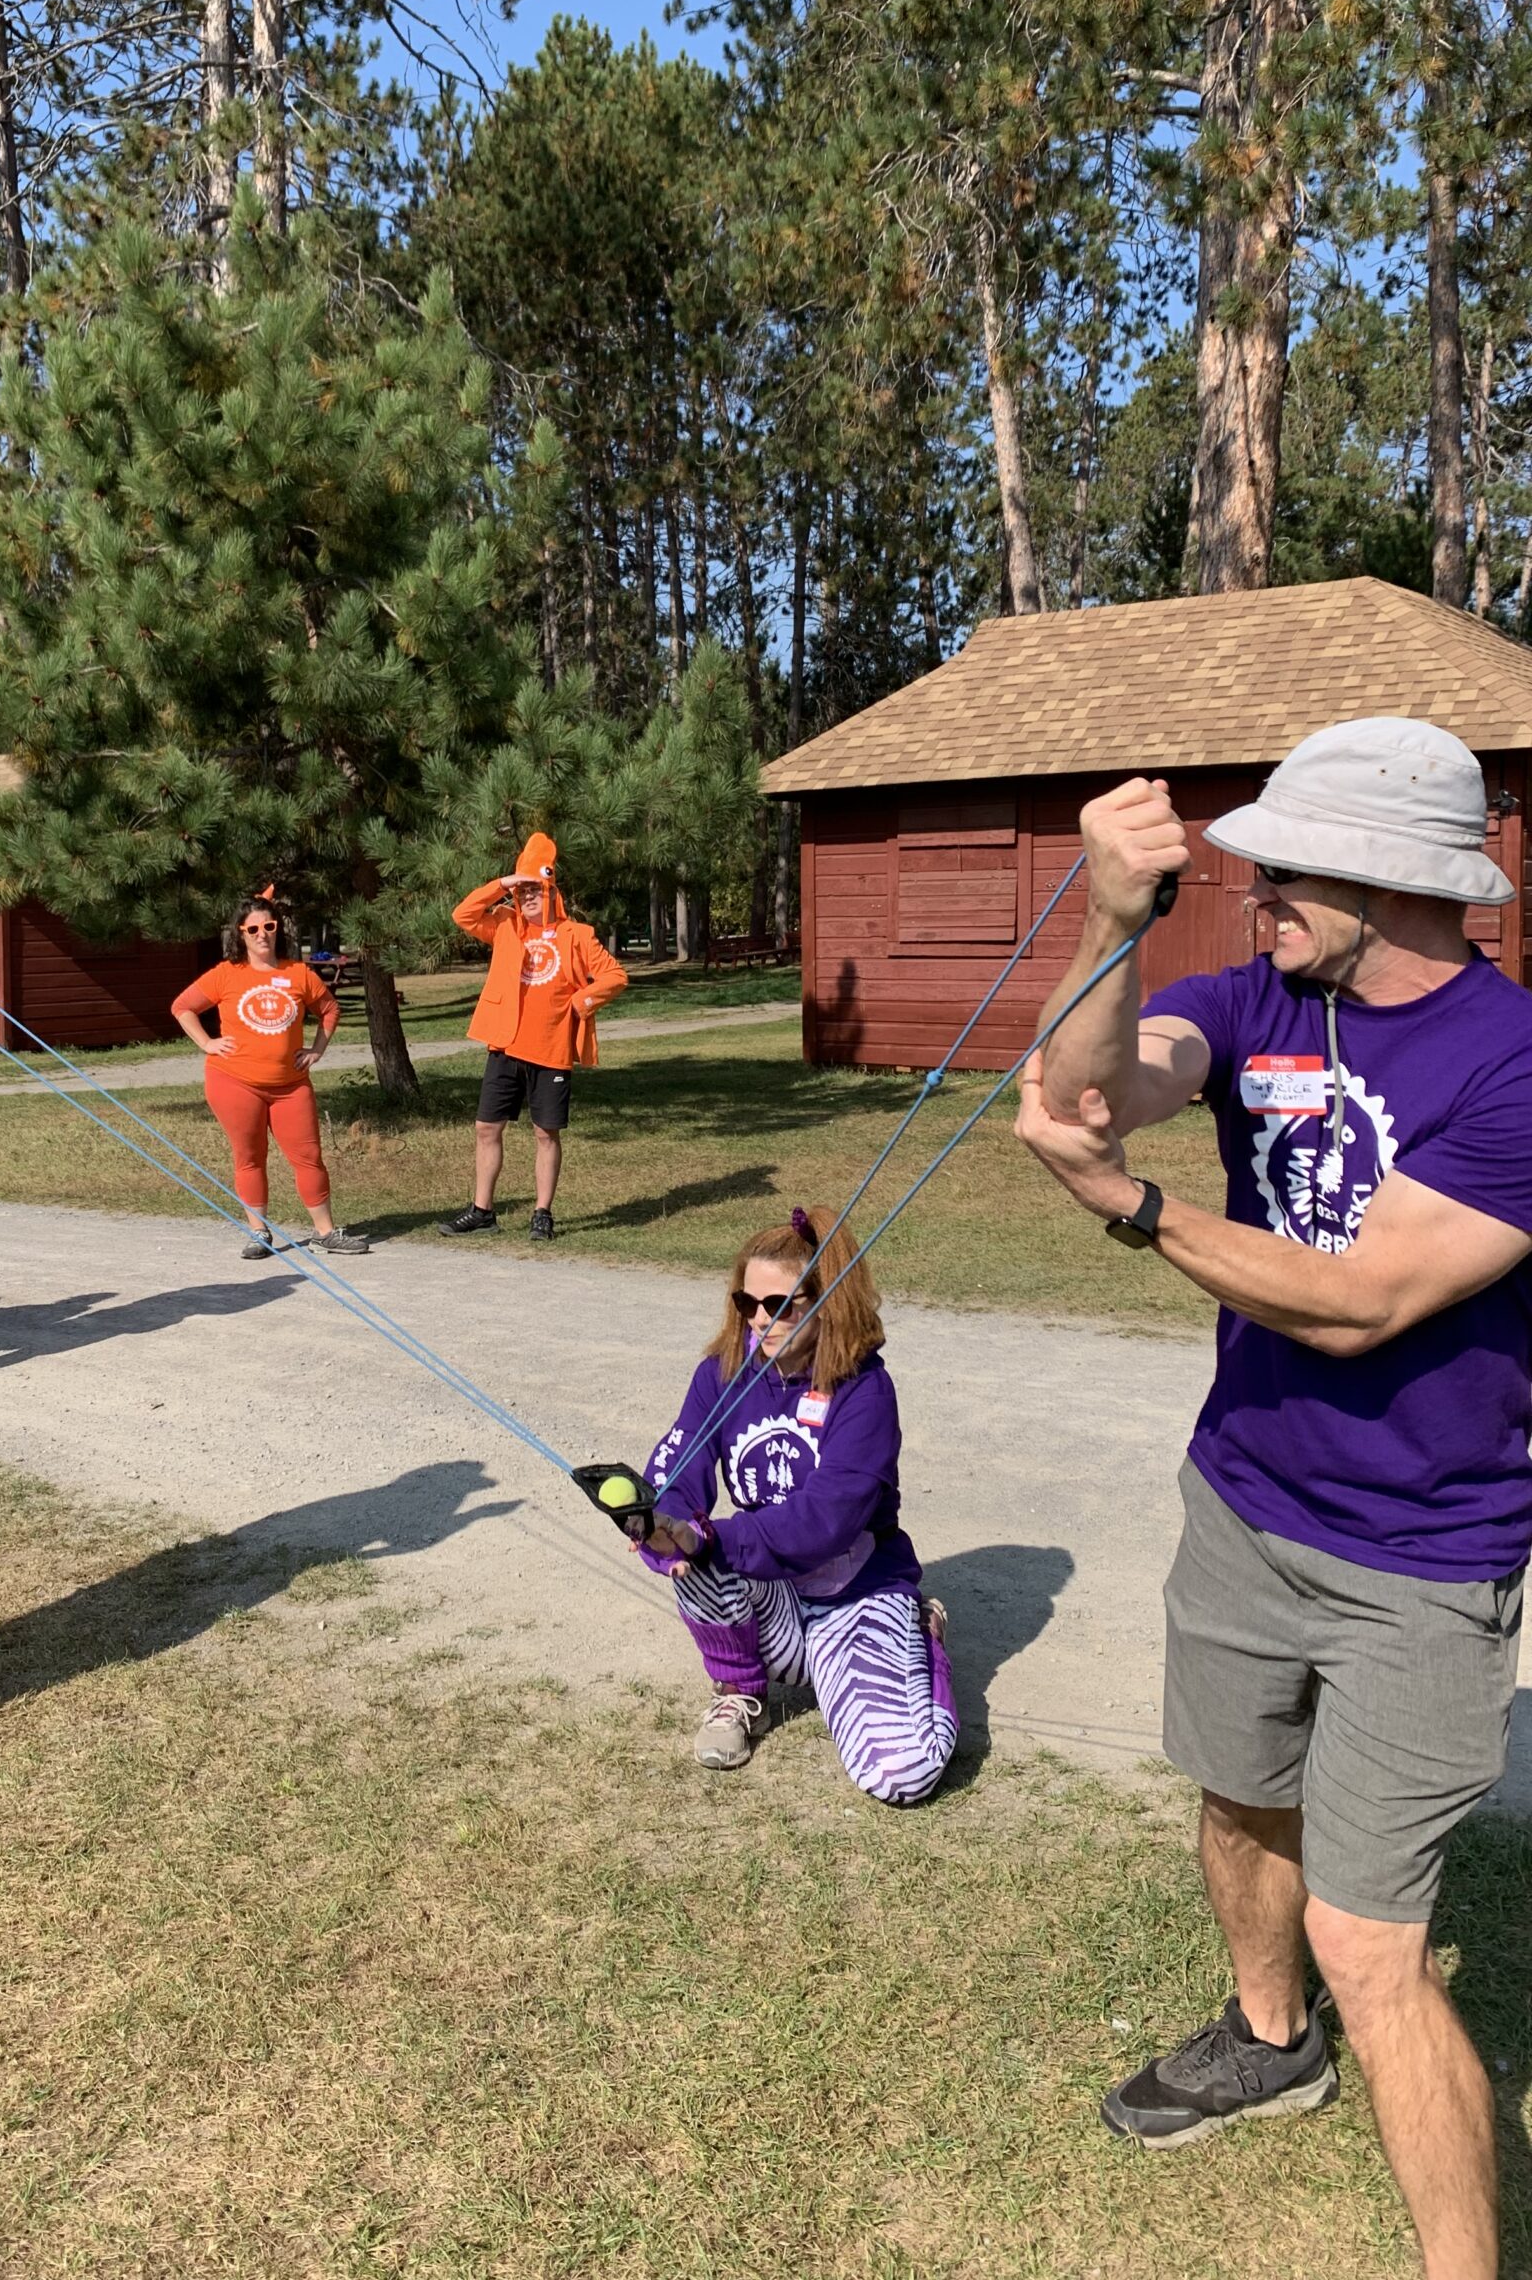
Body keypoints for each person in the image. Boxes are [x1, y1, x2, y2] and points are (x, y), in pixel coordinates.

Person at [1016, 718, 1532, 2280]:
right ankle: (1265, 2038)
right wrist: (1110, 924)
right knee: (1239, 1795)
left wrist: (1138, 1213)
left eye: (1282, 868)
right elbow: (1096, 1086)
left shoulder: (1512, 1067)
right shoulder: (1261, 1001)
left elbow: (1362, 1302)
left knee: (1374, 1945)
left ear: (1389, 881)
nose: (1251, 891)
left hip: (1425, 1559)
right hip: (1246, 1500)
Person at [615, 1203, 956, 1799]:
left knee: (904, 1776)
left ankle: (921, 1643)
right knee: (696, 1555)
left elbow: (828, 1519)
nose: (759, 1320)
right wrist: (661, 1522)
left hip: (855, 1596)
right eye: (747, 1303)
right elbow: (681, 1461)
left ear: (827, 1304)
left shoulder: (865, 1390)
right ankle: (741, 1691)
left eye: (779, 1305)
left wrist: (715, 1536)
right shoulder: (721, 1374)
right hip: (773, 1605)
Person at [438, 832, 627, 1244]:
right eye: (521, 891)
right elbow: (463, 915)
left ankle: (542, 1213)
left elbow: (616, 975)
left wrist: (582, 1002)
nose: (526, 898)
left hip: (552, 1049)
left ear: (551, 890)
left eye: (533, 890)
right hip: (504, 1046)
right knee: (487, 1128)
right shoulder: (506, 926)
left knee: (546, 1134)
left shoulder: (577, 934)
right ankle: (482, 1210)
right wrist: (502, 883)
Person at [172, 888, 369, 1257]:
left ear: (279, 929)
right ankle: (259, 1232)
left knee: (308, 1156)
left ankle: (326, 1232)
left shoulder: (298, 972)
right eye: (253, 929)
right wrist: (207, 1043)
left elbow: (330, 1010)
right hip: (234, 1082)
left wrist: (317, 1050)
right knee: (249, 1156)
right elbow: (183, 1007)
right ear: (241, 934)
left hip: (291, 1086)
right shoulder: (226, 974)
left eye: (269, 926)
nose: (262, 934)